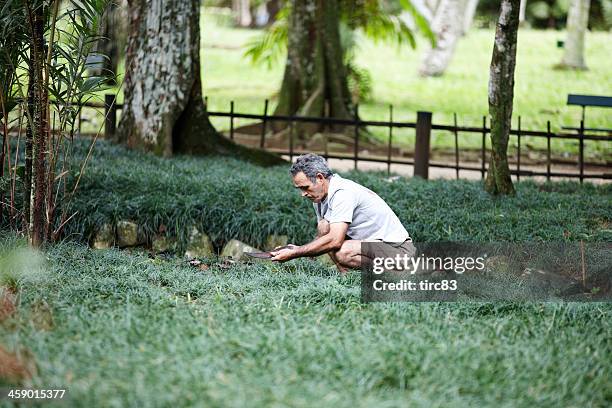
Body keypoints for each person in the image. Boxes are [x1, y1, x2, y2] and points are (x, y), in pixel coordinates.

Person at [270, 153, 415, 273]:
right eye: (300, 189)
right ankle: (345, 273)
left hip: (398, 249)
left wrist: (297, 253)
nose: (303, 194)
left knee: (343, 252)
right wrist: (294, 249)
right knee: (324, 226)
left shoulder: (342, 193)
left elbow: (335, 240)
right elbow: (324, 235)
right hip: (372, 245)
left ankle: (405, 270)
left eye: (305, 187)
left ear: (320, 178)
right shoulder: (320, 196)